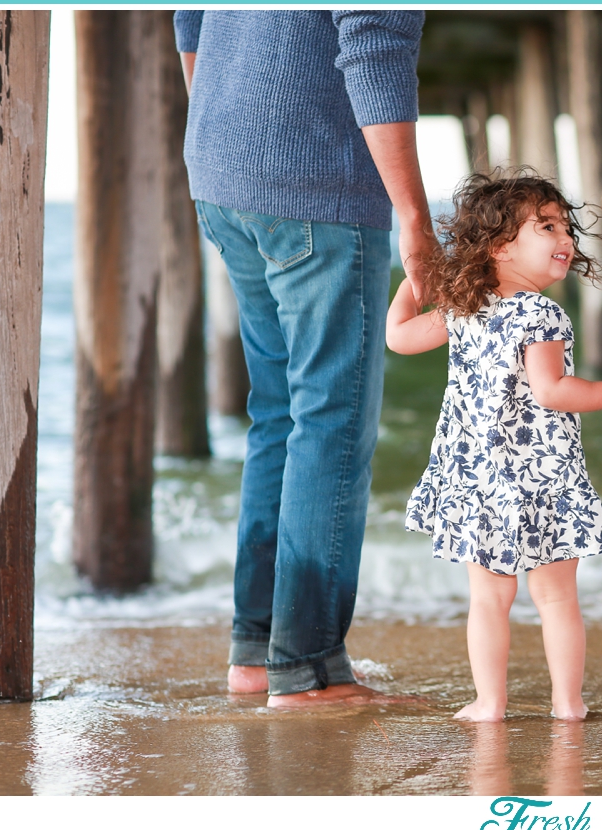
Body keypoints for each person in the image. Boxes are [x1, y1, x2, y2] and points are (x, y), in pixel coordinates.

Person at [173, 10, 436, 707]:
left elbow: (189, 17)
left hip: (221, 176)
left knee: (279, 416)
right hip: (317, 188)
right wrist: (414, 217)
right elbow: (374, 46)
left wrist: (218, 140)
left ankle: (258, 655)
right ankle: (309, 669)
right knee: (331, 422)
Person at [386, 173, 602, 721]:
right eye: (546, 227)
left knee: (488, 601)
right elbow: (552, 392)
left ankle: (489, 703)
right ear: (499, 245)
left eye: (566, 227)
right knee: (556, 599)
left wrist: (418, 275)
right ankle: (567, 704)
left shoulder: (463, 309)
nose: (564, 238)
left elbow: (397, 336)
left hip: (478, 477)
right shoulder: (541, 313)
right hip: (542, 477)